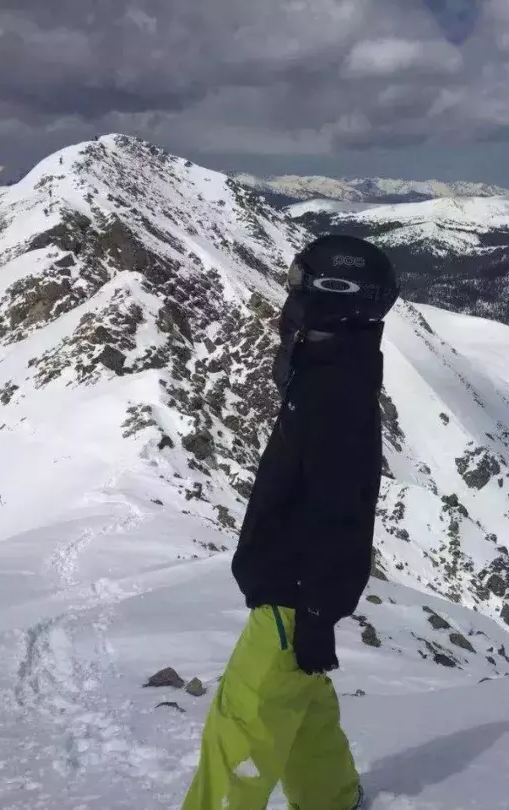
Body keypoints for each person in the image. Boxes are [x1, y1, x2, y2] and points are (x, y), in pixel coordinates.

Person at [181, 234, 399, 810]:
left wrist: (316, 613)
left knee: (242, 724)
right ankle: (331, 799)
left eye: (300, 286)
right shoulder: (332, 369)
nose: (289, 297)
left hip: (292, 592)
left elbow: (337, 509)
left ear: (336, 297)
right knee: (301, 706)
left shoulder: (334, 394)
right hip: (299, 589)